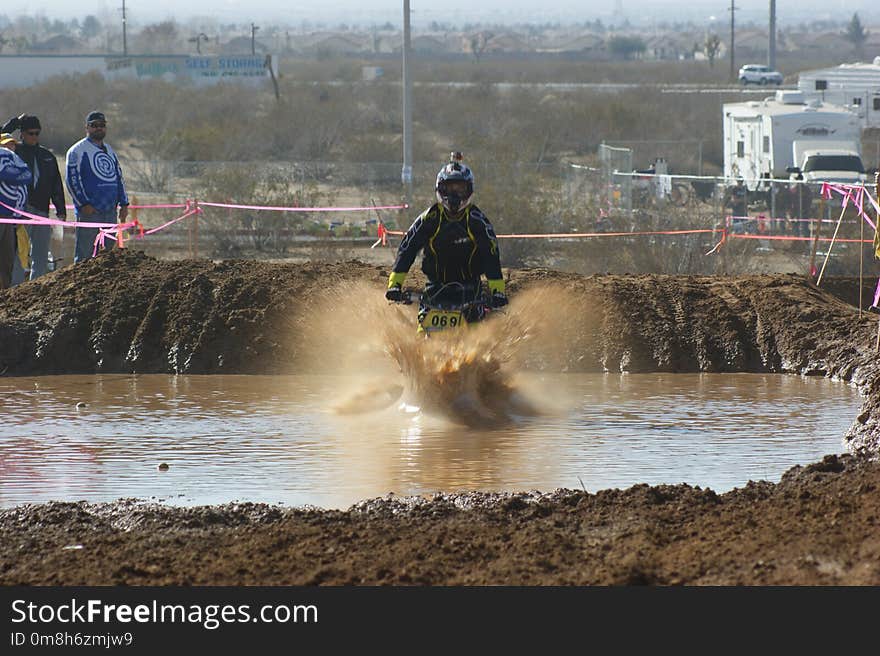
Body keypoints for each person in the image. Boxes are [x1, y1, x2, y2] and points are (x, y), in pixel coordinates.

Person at [385, 155, 507, 321]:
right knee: (422, 330)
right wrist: (394, 285)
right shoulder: (428, 218)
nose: (454, 195)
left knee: (477, 334)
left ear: (469, 190)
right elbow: (407, 250)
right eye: (449, 188)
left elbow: (491, 257)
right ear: (439, 189)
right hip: (434, 290)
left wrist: (497, 292)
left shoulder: (478, 221)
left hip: (471, 292)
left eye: (460, 189)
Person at [1, 113, 67, 279]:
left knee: (41, 255)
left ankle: (37, 289)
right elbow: (1, 135)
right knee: (19, 254)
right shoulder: (13, 151)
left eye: (37, 133)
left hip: (42, 211)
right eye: (30, 133)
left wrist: (61, 209)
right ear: (22, 133)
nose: (34, 136)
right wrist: (15, 123)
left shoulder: (47, 156)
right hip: (21, 212)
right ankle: (14, 289)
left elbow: (56, 184)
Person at [65, 111, 129, 263]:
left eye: (102, 125)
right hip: (90, 212)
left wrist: (124, 203)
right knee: (85, 256)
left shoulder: (110, 150)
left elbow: (118, 177)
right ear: (87, 127)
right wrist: (83, 204)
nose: (99, 128)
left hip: (110, 211)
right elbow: (72, 180)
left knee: (107, 257)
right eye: (94, 125)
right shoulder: (77, 150)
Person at [0, 133, 33, 289]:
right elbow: (6, 175)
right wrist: (16, 176)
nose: (9, 147)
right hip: (2, 215)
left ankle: (5, 294)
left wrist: (16, 176)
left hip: (12, 218)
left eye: (12, 144)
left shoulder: (16, 160)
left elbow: (27, 175)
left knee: (7, 259)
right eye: (5, 144)